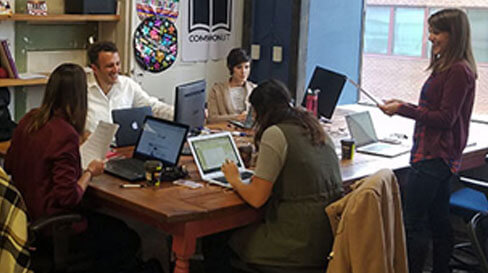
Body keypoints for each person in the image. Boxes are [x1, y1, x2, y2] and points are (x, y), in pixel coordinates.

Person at [4, 63, 140, 273]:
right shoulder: (64, 133)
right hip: (54, 227)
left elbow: (11, 165)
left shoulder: (30, 119)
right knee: (126, 238)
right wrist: (89, 172)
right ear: (79, 96)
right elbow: (68, 197)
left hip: (24, 218)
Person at [206, 79, 343, 273]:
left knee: (215, 236)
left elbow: (256, 198)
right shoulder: (314, 128)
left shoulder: (275, 133)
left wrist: (234, 179)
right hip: (327, 239)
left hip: (296, 242)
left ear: (261, 111)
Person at [379, 8, 477, 273]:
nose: (431, 38)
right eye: (430, 32)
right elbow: (435, 109)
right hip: (432, 155)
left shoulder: (457, 71)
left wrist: (402, 109)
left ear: (453, 34)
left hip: (434, 156)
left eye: (436, 32)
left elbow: (445, 118)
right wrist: (403, 104)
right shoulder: (447, 66)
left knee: (414, 223)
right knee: (437, 220)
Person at [85, 41, 173, 133]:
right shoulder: (81, 89)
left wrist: (178, 112)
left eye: (118, 64)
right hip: (94, 146)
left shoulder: (127, 85)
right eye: (110, 66)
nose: (116, 70)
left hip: (123, 146)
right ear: (94, 68)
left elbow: (152, 107)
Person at [207, 48, 256, 123]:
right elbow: (212, 118)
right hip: (225, 130)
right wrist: (236, 118)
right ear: (231, 68)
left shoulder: (254, 89)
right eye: (239, 67)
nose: (243, 72)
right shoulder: (217, 90)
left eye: (246, 67)